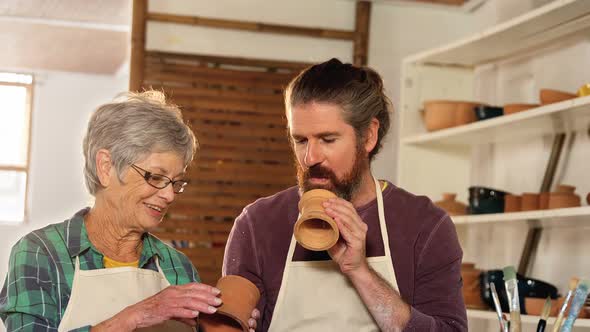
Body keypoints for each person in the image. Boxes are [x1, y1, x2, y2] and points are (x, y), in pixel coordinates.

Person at [223, 58, 467, 331]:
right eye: (300, 140)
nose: (309, 157)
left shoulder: (425, 226)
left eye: (328, 140)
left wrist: (360, 271)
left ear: (369, 136)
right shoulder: (258, 224)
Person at [0, 91, 258, 332]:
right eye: (156, 177)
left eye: (176, 182)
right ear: (106, 167)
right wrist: (136, 316)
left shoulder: (175, 266)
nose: (169, 195)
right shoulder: (41, 253)